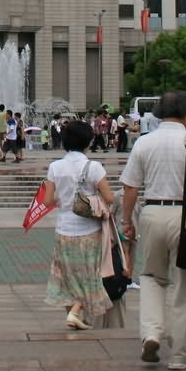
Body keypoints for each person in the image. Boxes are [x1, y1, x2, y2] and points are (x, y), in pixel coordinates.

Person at [119, 91, 186, 371]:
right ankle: (181, 354)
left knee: (151, 277)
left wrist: (127, 220)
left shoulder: (144, 142)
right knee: (185, 285)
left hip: (151, 212)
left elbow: (130, 188)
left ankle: (151, 334)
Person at [42, 119, 116, 330]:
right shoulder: (94, 167)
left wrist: (64, 202)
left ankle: (74, 317)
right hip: (89, 231)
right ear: (88, 141)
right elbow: (109, 198)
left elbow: (48, 201)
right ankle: (75, 312)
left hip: (63, 229)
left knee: (66, 274)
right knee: (90, 273)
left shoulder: (55, 167)